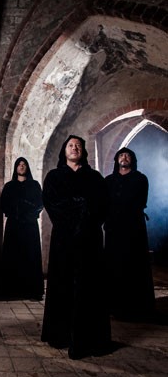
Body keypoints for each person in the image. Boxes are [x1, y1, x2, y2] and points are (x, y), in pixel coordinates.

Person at [41, 135, 112, 360]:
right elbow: (52, 203)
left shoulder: (95, 178)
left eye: (78, 146)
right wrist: (78, 211)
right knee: (62, 284)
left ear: (83, 151)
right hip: (64, 239)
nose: (75, 148)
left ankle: (89, 338)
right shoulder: (54, 177)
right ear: (65, 151)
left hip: (89, 239)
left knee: (89, 287)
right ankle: (60, 334)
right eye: (71, 145)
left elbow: (102, 205)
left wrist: (84, 217)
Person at [104, 147, 155, 321]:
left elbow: (140, 201)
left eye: (127, 155)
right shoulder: (109, 180)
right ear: (117, 159)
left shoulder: (140, 179)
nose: (124, 157)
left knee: (135, 266)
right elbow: (104, 204)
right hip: (114, 230)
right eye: (121, 155)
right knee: (114, 266)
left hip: (134, 229)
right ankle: (114, 305)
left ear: (132, 159)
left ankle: (137, 306)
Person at [0, 157, 44, 300]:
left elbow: (40, 203)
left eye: (24, 164)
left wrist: (29, 215)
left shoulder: (35, 185)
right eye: (19, 164)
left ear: (27, 168)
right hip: (14, 225)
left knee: (30, 256)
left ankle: (32, 291)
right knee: (13, 255)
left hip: (30, 225)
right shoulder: (9, 186)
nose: (21, 166)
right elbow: (4, 204)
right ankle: (11, 291)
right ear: (15, 168)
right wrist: (14, 214)